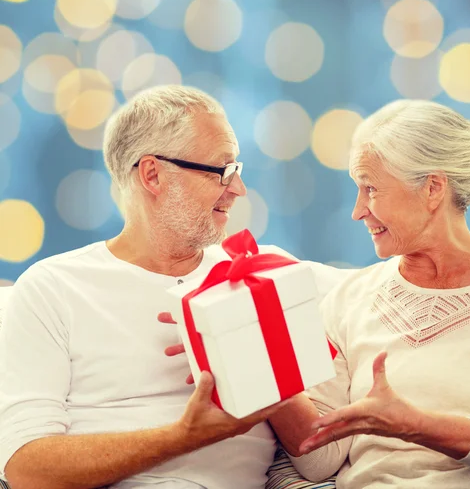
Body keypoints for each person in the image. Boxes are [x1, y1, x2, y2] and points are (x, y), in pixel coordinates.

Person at [0, 85, 349, 489]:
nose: (238, 190)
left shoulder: (254, 275)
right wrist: (183, 437)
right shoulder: (53, 287)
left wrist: (255, 359)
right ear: (152, 174)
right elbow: (26, 469)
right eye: (222, 171)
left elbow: (319, 462)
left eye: (237, 171)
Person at [278, 100, 470, 488]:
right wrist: (262, 376)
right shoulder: (347, 300)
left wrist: (415, 425)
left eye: (370, 188)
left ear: (433, 188)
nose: (357, 210)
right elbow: (318, 460)